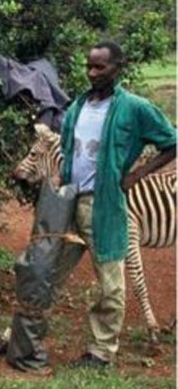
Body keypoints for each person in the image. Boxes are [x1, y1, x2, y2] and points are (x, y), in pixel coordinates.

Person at [51, 40, 175, 367]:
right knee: (45, 272)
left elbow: (172, 143)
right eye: (88, 66)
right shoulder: (77, 107)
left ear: (117, 68)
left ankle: (101, 352)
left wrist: (137, 175)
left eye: (99, 67)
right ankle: (20, 338)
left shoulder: (135, 108)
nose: (92, 73)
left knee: (110, 284)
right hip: (68, 202)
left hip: (103, 206)